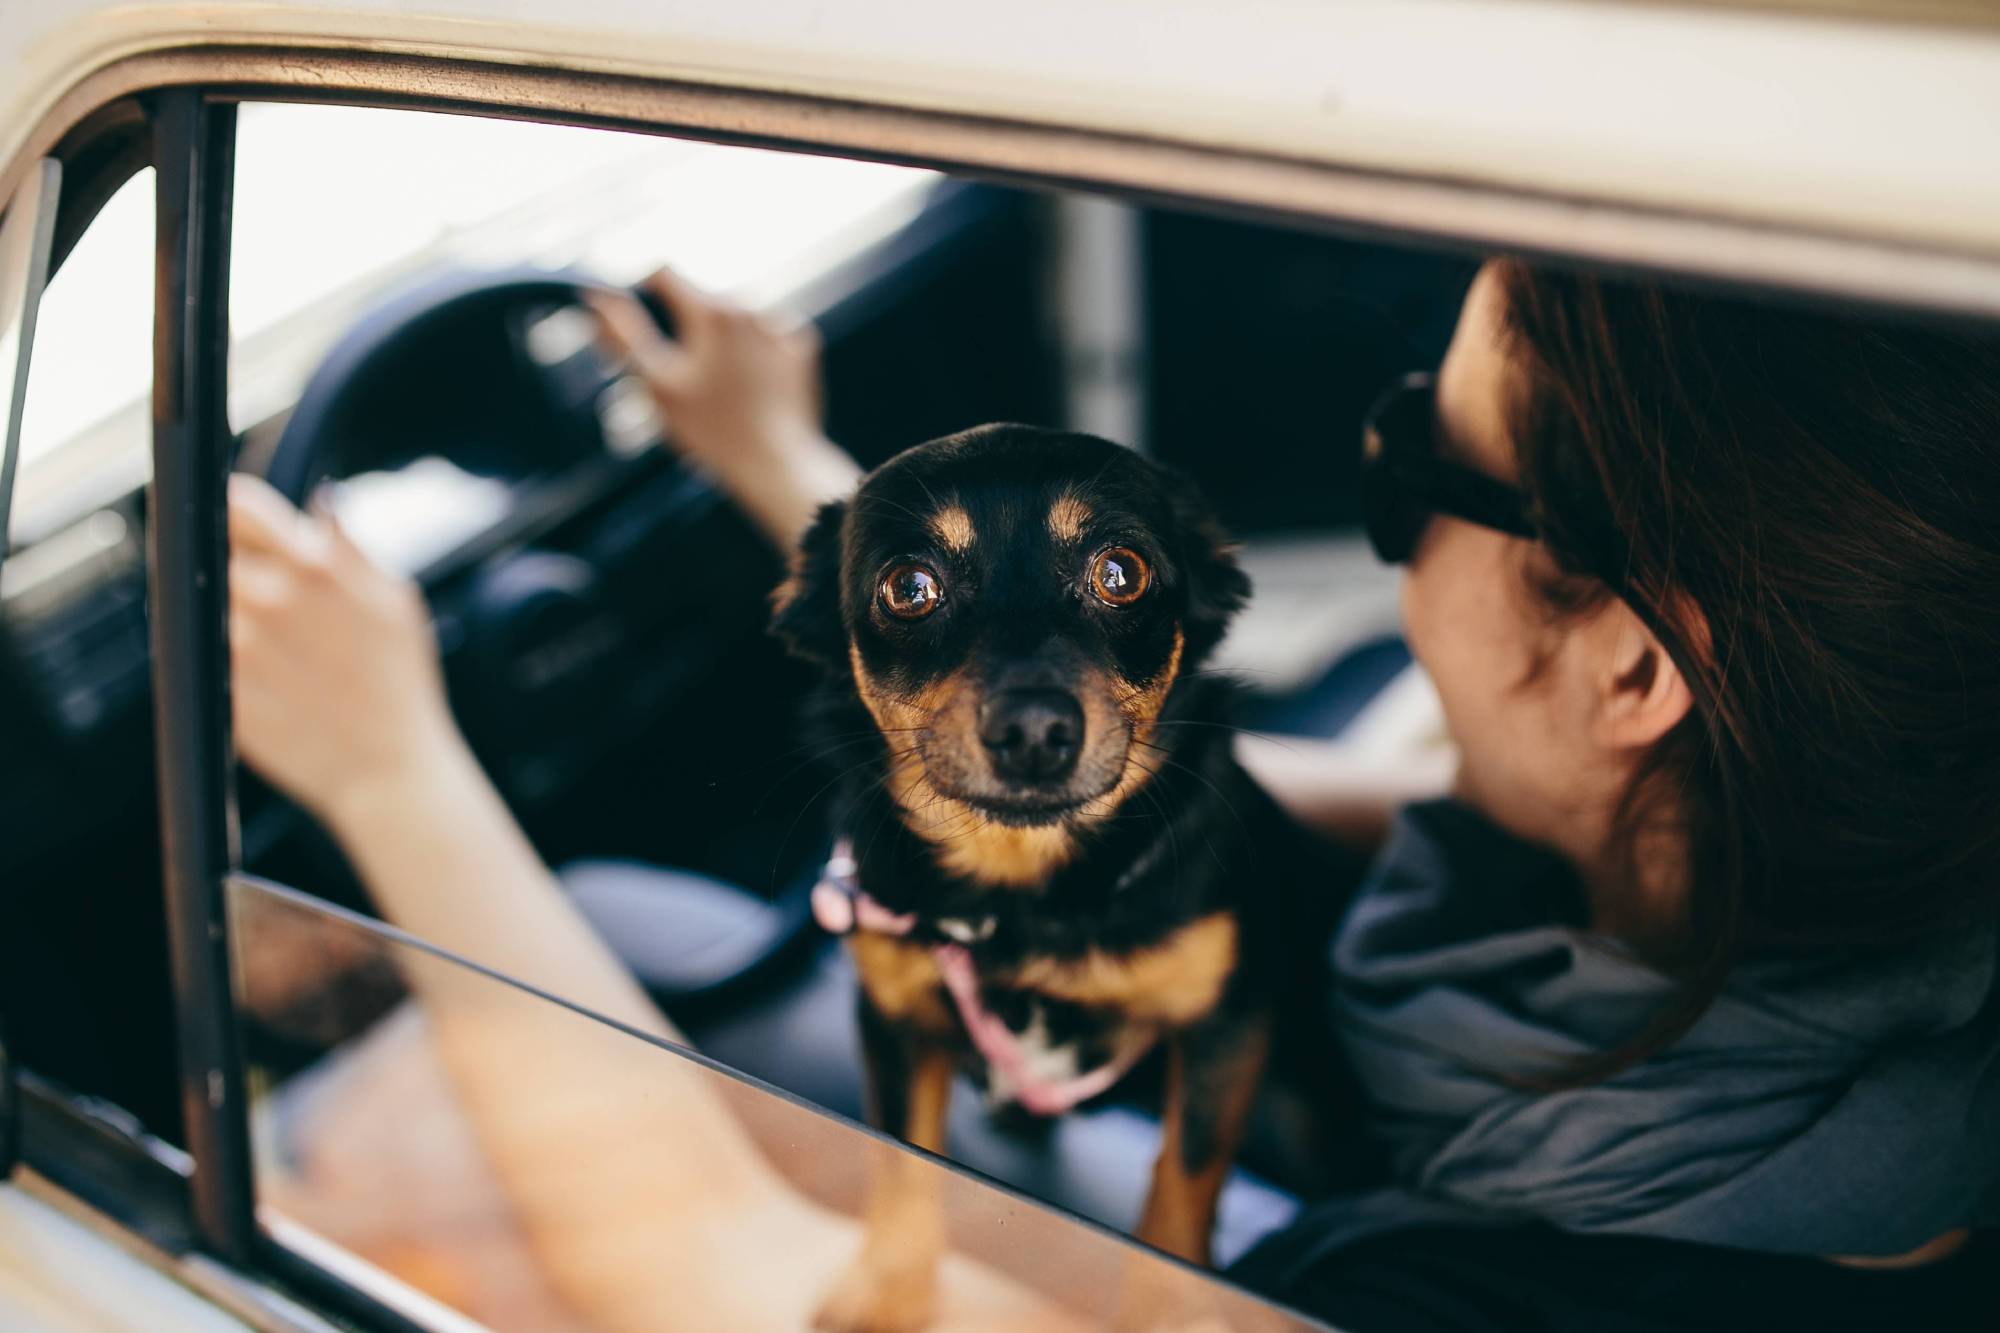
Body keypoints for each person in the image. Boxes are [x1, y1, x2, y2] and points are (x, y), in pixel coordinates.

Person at [227, 258, 2000, 1331]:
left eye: (1416, 457)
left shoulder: (1533, 1303)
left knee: (378, 1143)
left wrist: (385, 766)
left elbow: (727, 1270)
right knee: (633, 927)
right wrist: (789, 473)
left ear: (1626, 666)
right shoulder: (1794, 897)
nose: (1385, 490)